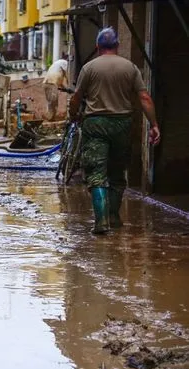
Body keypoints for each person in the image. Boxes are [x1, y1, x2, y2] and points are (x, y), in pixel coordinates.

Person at [69, 27, 160, 235]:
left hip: (95, 124)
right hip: (122, 123)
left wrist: (73, 114)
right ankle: (113, 216)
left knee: (96, 173)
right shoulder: (130, 67)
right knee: (117, 174)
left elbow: (76, 97)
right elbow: (144, 98)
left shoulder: (89, 68)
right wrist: (154, 124)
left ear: (98, 46)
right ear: (117, 46)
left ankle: (101, 222)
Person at [43, 56, 69, 121]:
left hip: (47, 83)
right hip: (51, 83)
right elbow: (68, 75)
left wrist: (65, 88)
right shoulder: (65, 63)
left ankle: (50, 117)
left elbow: (59, 79)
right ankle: (50, 118)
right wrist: (70, 87)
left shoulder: (57, 64)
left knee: (51, 102)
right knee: (53, 103)